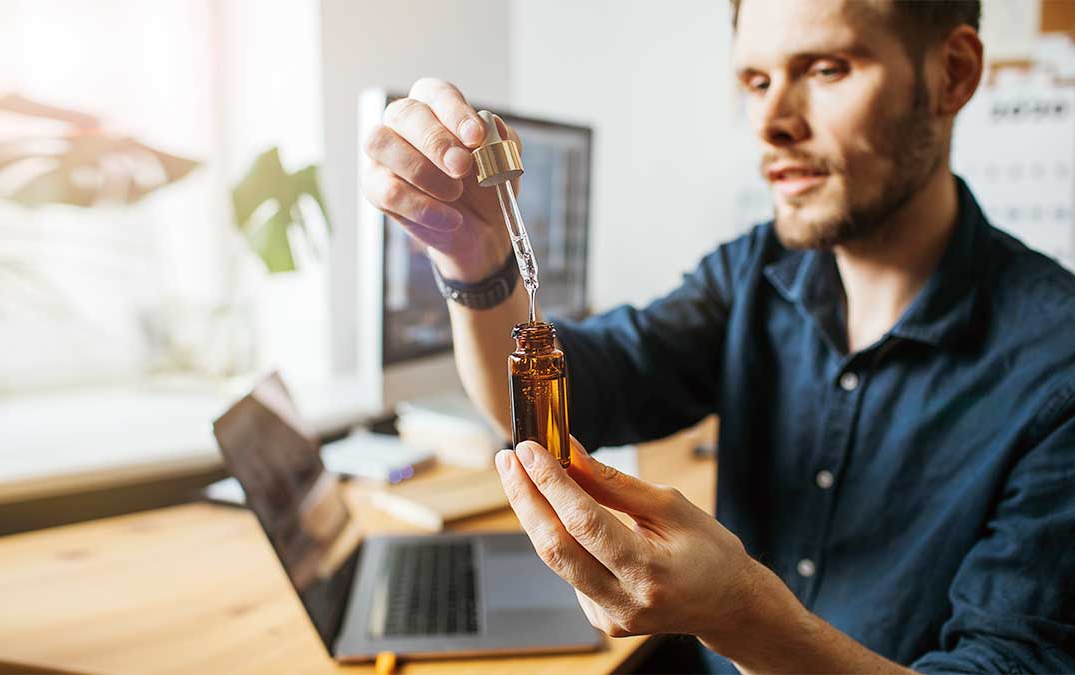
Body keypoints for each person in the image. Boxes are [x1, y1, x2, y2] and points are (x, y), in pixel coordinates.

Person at [361, 0, 1075, 671]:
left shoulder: (1056, 364)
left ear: (952, 75)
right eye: (756, 81)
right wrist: (475, 258)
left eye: (826, 70)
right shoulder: (752, 273)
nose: (770, 121)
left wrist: (739, 614)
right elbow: (580, 389)